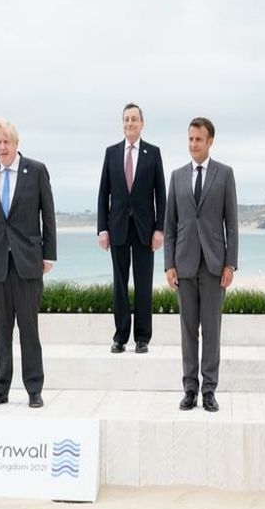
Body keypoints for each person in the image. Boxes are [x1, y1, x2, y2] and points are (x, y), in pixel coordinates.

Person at [0, 119, 57, 409]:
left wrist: (49, 255)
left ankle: (34, 389)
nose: (2, 147)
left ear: (16, 143)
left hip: (28, 261)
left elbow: (48, 215)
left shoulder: (36, 170)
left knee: (29, 328)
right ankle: (0, 388)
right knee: (1, 329)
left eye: (6, 142)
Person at [163, 117, 238, 412]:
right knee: (187, 331)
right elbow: (170, 226)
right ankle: (189, 389)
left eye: (198, 139)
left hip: (214, 265)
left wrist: (230, 264)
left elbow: (231, 224)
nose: (193, 144)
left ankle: (209, 390)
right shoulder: (177, 176)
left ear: (210, 141)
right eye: (190, 139)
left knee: (211, 331)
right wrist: (169, 264)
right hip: (183, 264)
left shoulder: (224, 174)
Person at [97, 102, 166, 354]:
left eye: (134, 119)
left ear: (142, 123)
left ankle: (143, 337)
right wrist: (102, 229)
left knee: (143, 284)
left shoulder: (153, 153)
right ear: (122, 123)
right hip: (117, 228)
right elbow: (103, 193)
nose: (130, 123)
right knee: (120, 285)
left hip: (145, 230)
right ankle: (120, 336)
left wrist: (160, 229)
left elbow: (161, 194)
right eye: (126, 119)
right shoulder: (111, 153)